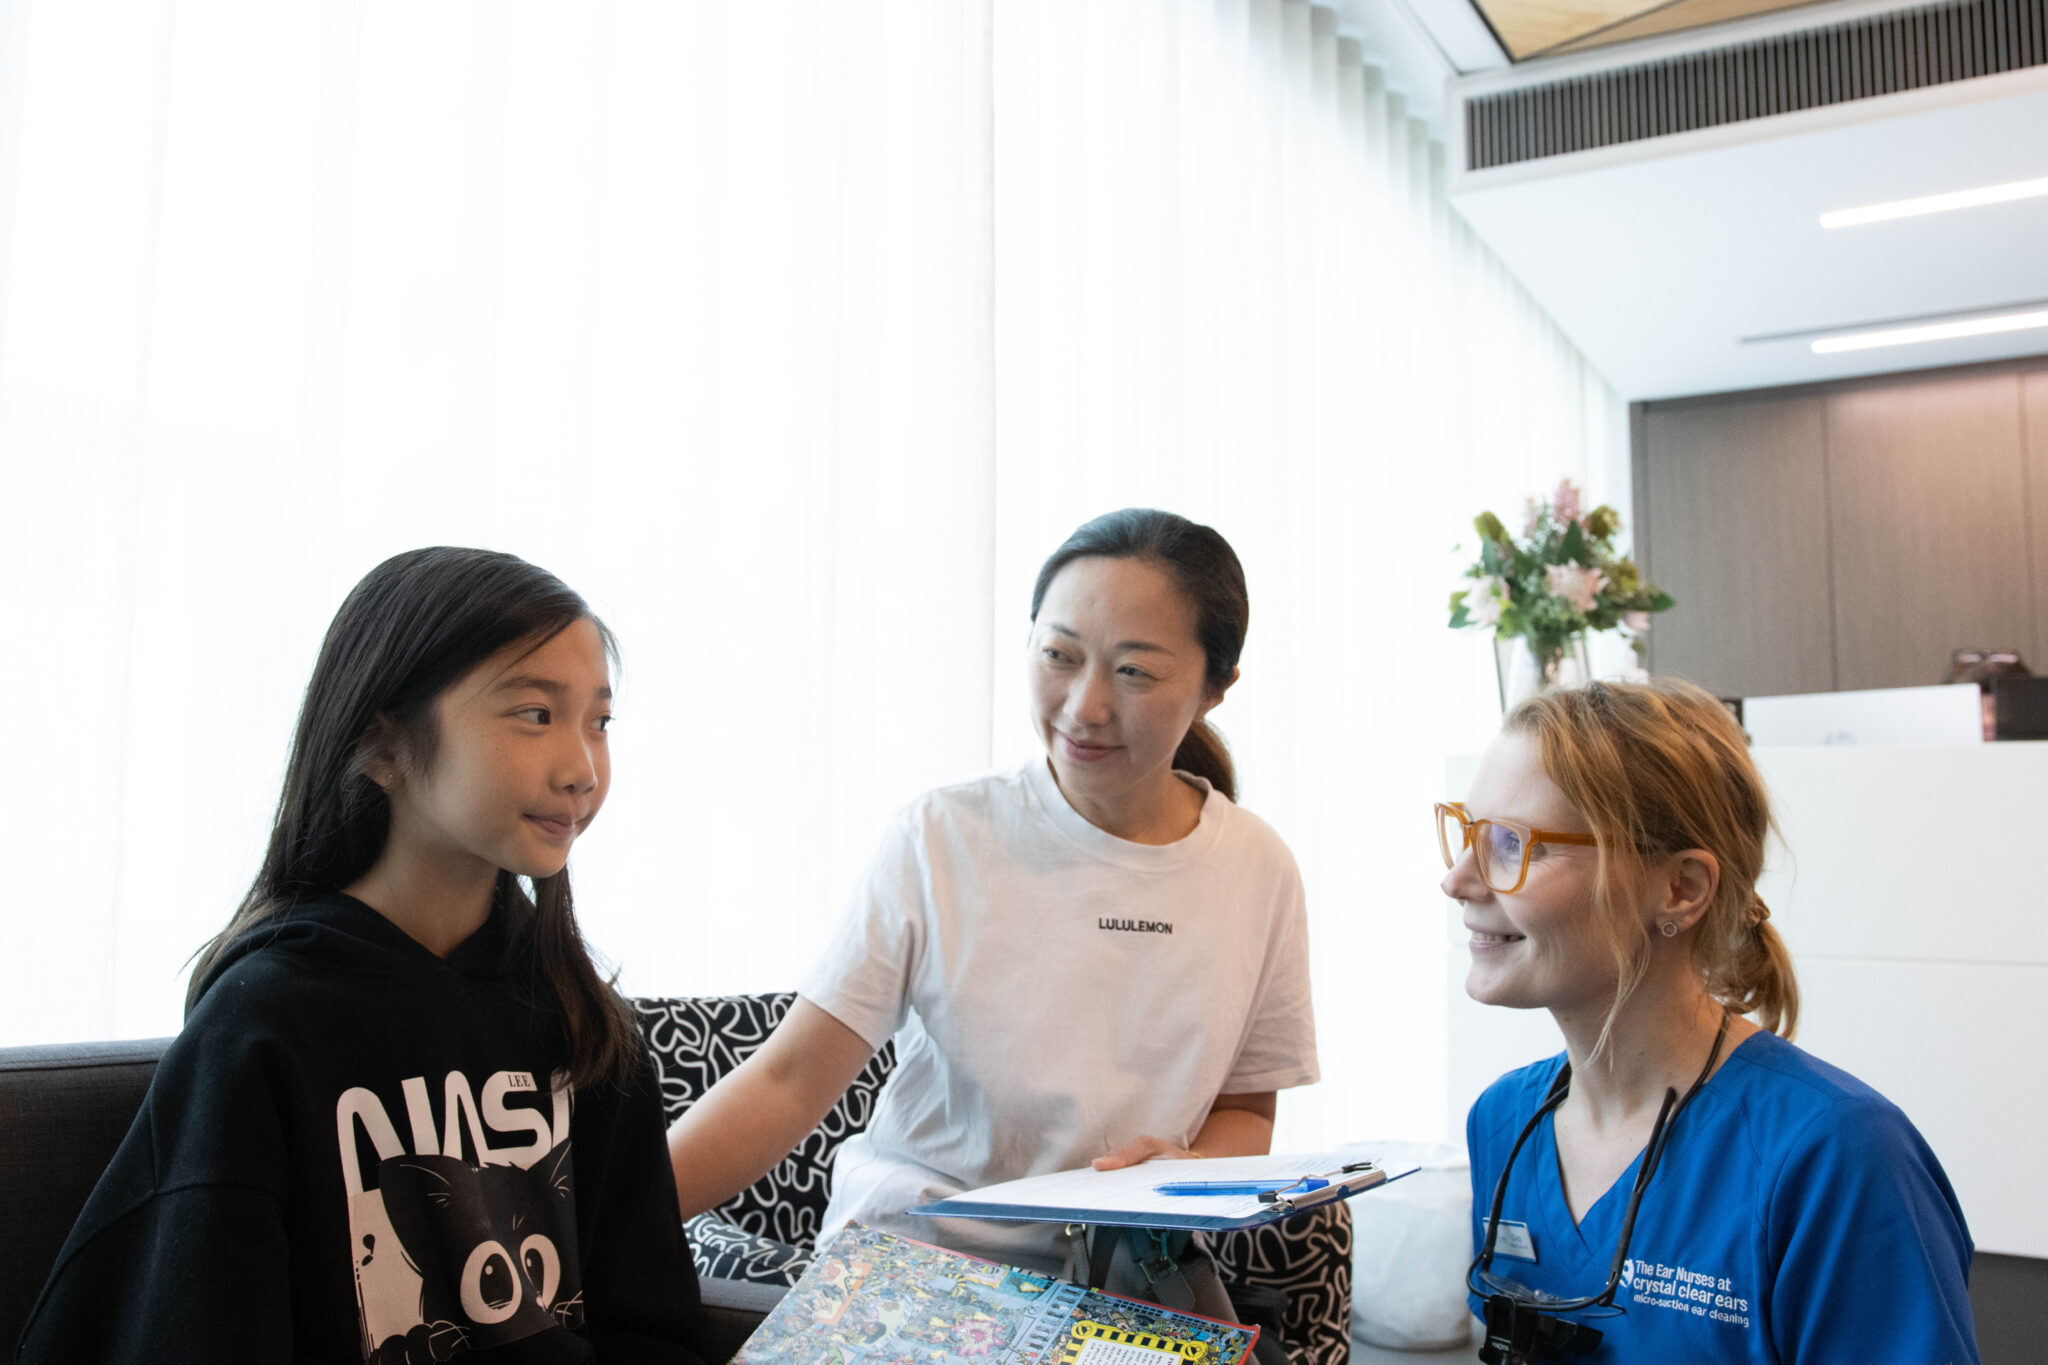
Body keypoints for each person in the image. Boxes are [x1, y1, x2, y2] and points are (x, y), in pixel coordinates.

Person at [19, 548, 703, 1364]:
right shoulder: (266, 1022)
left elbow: (652, 1325)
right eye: (534, 714)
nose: (582, 769)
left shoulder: (582, 1020)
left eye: (599, 721)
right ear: (384, 747)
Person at [666, 508, 1318, 1302]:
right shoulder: (942, 835)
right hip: (916, 1265)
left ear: (1217, 686)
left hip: (1120, 1281)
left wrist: (1194, 1170)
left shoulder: (1257, 867)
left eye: (1134, 672)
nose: (1084, 706)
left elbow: (1246, 1108)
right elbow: (789, 1079)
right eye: (1059, 656)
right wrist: (598, 1229)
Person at [1440, 679, 1978, 1364]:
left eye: (1512, 843)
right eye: (1468, 834)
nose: (1457, 880)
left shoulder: (1836, 1154)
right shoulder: (1503, 1121)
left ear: (1681, 888)